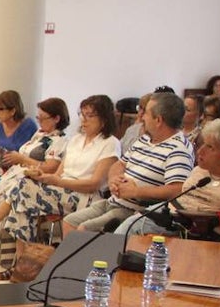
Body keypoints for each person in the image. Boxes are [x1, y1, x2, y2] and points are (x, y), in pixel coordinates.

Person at [0, 95, 119, 277]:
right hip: (60, 189)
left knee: (22, 192)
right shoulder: (77, 140)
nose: (84, 120)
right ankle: (20, 266)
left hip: (82, 195)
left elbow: (93, 184)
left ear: (104, 119)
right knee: (22, 200)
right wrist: (43, 177)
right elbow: (58, 173)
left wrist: (53, 180)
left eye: (90, 116)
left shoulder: (109, 144)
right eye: (82, 115)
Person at [63, 91, 193, 234]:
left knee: (84, 230)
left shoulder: (178, 149)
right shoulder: (145, 140)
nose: (142, 117)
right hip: (114, 201)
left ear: (159, 120)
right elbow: (119, 164)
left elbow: (177, 189)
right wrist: (114, 180)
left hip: (136, 210)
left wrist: (136, 191)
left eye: (146, 113)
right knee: (69, 222)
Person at [116, 118, 220, 240]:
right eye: (202, 144)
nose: (200, 151)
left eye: (210, 147)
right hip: (166, 218)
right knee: (125, 229)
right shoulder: (199, 171)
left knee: (129, 231)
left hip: (203, 237)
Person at [0, 97, 70, 219]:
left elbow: (50, 168)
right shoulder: (39, 134)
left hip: (30, 176)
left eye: (42, 118)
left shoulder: (59, 141)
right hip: (14, 168)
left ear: (56, 119)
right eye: (38, 118)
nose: (39, 122)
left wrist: (22, 159)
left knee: (13, 185)